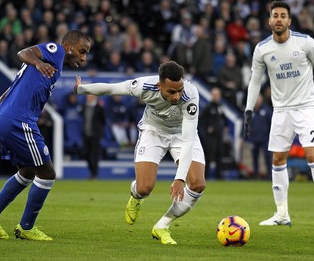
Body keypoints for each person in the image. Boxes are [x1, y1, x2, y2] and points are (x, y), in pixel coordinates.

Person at [0, 30, 91, 240]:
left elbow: (10, 90)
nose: (84, 58)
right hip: (19, 121)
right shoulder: (56, 52)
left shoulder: (53, 65)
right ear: (68, 46)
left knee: (27, 172)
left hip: (3, 116)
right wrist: (38, 62)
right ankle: (27, 227)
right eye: (82, 51)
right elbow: (23, 52)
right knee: (47, 173)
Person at [75, 61, 206, 244]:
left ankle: (162, 226)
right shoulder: (145, 86)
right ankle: (136, 195)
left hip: (181, 135)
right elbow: (113, 89)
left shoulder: (191, 96)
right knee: (145, 188)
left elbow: (188, 140)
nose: (176, 96)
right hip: (153, 131)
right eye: (171, 92)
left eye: (179, 90)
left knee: (198, 184)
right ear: (160, 85)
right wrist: (82, 89)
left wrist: (179, 179)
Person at [244, 1, 314, 227]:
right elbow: (255, 81)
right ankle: (282, 214)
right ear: (269, 21)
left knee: (311, 156)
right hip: (281, 110)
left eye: (282, 15)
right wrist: (248, 110)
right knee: (277, 159)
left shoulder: (305, 42)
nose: (278, 19)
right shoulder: (262, 49)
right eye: (275, 15)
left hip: (306, 106)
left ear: (289, 20)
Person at [199, 87, 228, 179]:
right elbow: (200, 120)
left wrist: (225, 127)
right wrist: (207, 129)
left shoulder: (220, 107)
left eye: (218, 95)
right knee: (208, 157)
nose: (216, 97)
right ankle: (205, 176)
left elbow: (224, 119)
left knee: (219, 156)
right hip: (210, 137)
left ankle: (219, 176)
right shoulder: (208, 107)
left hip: (219, 136)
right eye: (215, 95)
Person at [82, 94, 106, 179]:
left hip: (95, 135)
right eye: (87, 96)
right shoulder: (84, 106)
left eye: (90, 96)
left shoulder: (99, 107)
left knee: (94, 155)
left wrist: (99, 131)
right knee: (85, 154)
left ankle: (94, 174)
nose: (88, 97)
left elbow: (103, 120)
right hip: (86, 134)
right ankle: (92, 171)